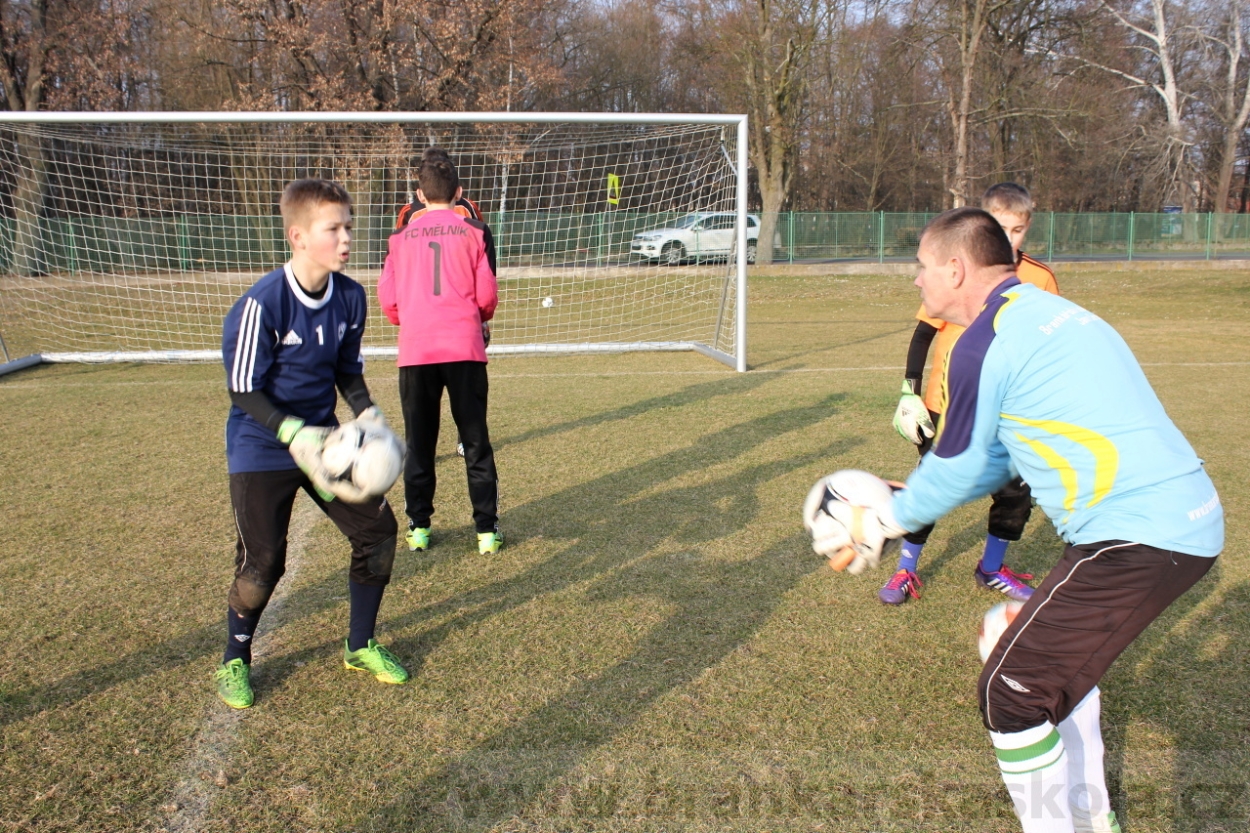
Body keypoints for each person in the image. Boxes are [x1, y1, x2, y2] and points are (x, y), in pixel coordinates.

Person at [824, 207, 1223, 832]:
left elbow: (957, 468)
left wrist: (883, 518)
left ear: (955, 268)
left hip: (1136, 537)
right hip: (1169, 523)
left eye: (922, 268)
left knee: (1009, 693)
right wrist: (916, 492)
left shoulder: (986, 342)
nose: (917, 282)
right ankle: (1093, 818)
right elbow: (991, 460)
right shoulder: (1054, 313)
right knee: (1012, 634)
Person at [215, 179, 409, 709]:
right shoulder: (264, 303)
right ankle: (235, 657)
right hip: (263, 443)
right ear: (299, 236)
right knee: (265, 562)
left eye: (349, 225)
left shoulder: (349, 295)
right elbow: (242, 388)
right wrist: (291, 431)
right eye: (334, 228)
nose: (347, 237)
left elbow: (346, 368)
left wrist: (366, 411)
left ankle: (360, 644)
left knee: (379, 533)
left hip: (328, 444)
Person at [880, 183, 1060, 605]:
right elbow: (924, 332)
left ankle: (992, 568)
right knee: (931, 484)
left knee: (1015, 492)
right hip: (947, 403)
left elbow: (1043, 342)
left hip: (1009, 410)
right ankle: (905, 567)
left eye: (1016, 230)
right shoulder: (953, 273)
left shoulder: (1040, 279)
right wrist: (908, 391)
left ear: (1027, 228)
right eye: (1000, 228)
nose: (1008, 238)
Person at [378, 152, 503, 556]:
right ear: (459, 193)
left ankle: (419, 527)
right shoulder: (475, 230)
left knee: (420, 444)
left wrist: (412, 319)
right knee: (475, 441)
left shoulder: (398, 238)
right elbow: (486, 296)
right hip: (464, 348)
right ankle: (486, 531)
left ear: (419, 194)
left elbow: (388, 303)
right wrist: (477, 318)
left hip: (417, 350)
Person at [394, 147, 493, 458]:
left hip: (421, 323)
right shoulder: (467, 209)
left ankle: (424, 449)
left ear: (421, 188)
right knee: (465, 386)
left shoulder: (409, 212)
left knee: (429, 393)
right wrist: (483, 316)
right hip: (462, 319)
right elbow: (485, 257)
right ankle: (467, 439)